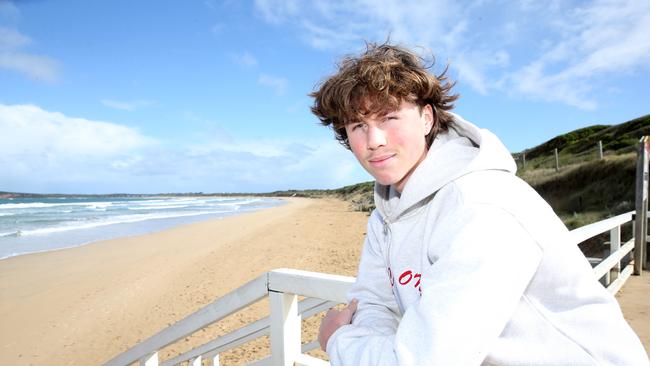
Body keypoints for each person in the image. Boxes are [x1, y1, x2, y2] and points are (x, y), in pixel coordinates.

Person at [309, 42, 649, 365]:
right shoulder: (386, 212)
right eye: (358, 125)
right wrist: (369, 339)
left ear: (427, 118)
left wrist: (339, 339)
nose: (374, 141)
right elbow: (374, 303)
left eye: (388, 118)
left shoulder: (482, 206)